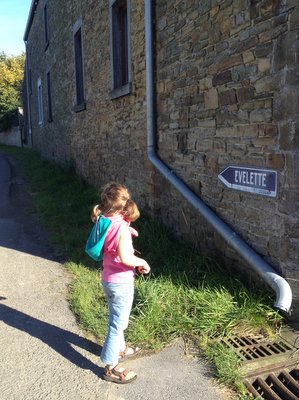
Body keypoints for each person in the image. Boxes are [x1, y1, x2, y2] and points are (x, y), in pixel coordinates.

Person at [91, 182, 151, 384]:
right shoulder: (122, 229)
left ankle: (120, 348)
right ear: (124, 204)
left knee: (118, 318)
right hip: (121, 283)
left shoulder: (105, 221)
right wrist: (141, 261)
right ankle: (111, 366)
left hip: (109, 279)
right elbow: (126, 258)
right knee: (118, 324)